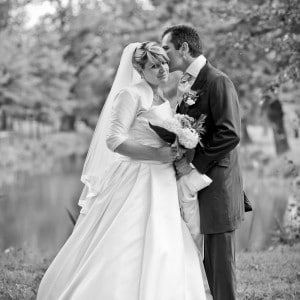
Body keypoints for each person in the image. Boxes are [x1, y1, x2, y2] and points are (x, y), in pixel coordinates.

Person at [37, 42, 208, 300]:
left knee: (164, 239)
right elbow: (114, 141)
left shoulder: (163, 96)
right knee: (127, 239)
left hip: (163, 177)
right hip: (138, 177)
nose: (162, 68)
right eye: (153, 65)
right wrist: (156, 154)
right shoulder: (131, 94)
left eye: (163, 62)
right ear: (139, 69)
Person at [162, 25, 245, 300]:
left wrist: (194, 164)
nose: (164, 56)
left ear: (184, 49)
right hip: (195, 185)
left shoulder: (217, 80)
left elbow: (230, 133)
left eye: (167, 49)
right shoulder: (187, 83)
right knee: (206, 261)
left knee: (220, 264)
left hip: (216, 183)